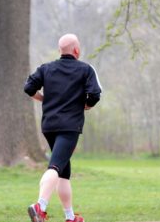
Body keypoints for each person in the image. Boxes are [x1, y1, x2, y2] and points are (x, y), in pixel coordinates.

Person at [24, 33, 102, 222]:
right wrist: (86, 105)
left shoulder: (46, 68)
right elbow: (95, 94)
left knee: (63, 173)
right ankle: (40, 206)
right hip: (69, 127)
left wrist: (43, 99)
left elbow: (28, 88)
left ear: (60, 50)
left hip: (49, 125)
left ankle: (70, 217)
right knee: (55, 166)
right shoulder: (86, 69)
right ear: (76, 50)